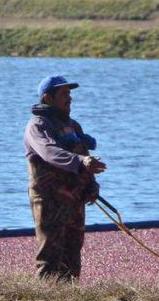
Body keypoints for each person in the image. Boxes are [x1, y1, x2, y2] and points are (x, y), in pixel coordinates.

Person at [23, 75, 107, 282]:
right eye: (63, 94)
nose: (69, 98)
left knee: (72, 256)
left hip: (75, 201)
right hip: (50, 200)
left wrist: (92, 185)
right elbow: (49, 151)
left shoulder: (74, 126)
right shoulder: (37, 125)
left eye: (69, 93)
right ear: (47, 98)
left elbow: (85, 155)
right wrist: (81, 161)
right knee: (50, 256)